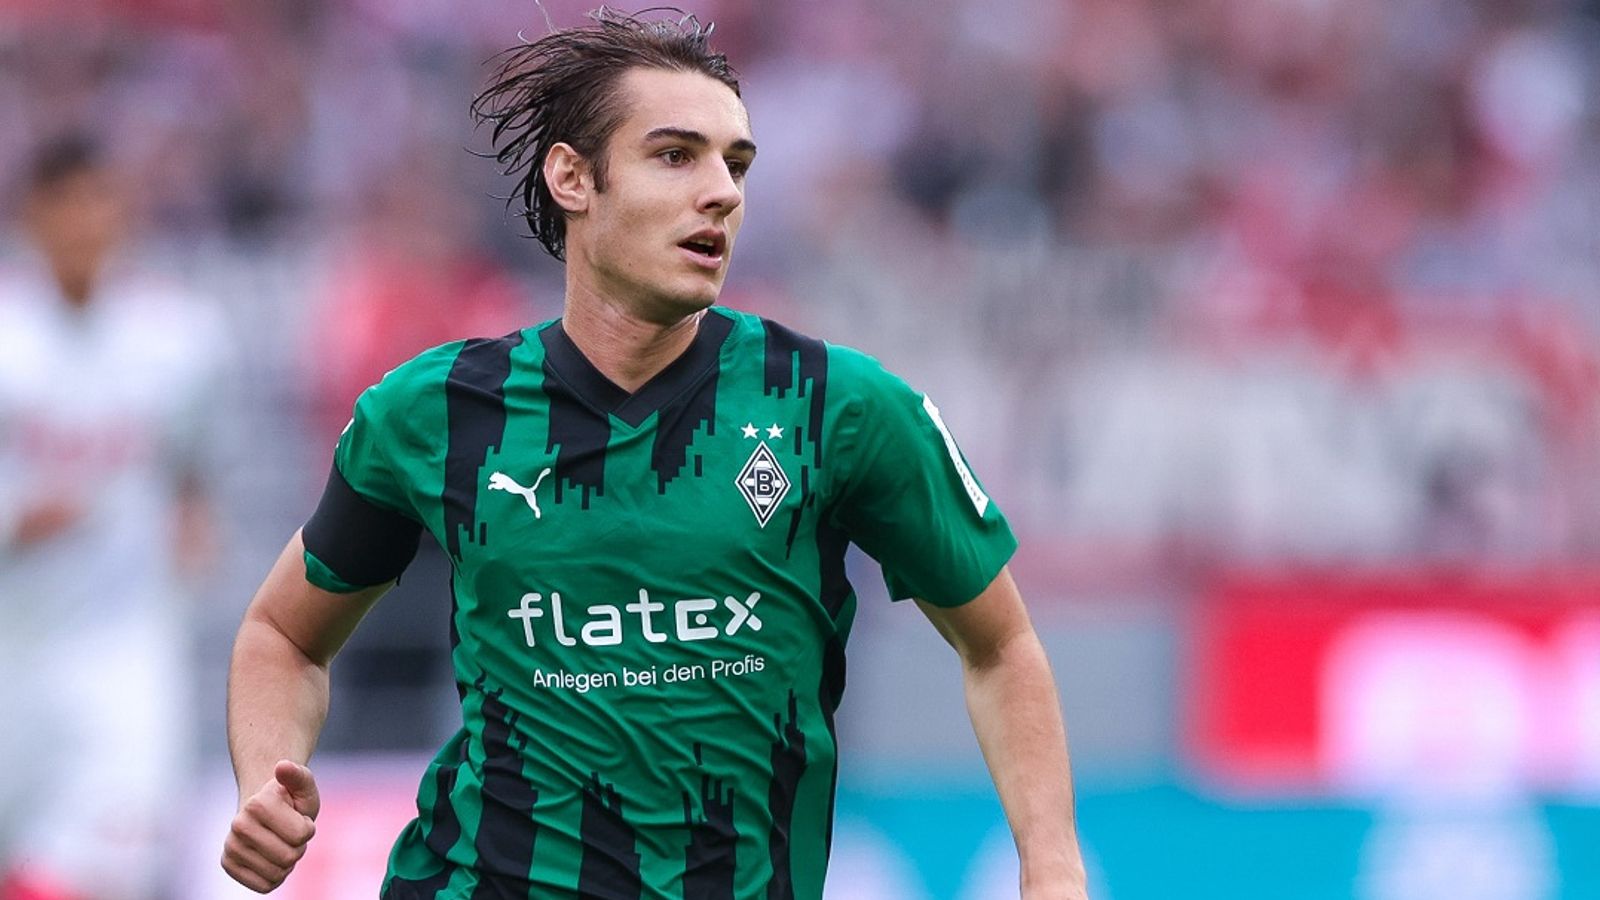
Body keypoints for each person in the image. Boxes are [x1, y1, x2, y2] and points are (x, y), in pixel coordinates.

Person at [222, 10, 1089, 899]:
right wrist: (266, 780)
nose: (721, 192)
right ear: (573, 177)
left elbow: (1001, 646)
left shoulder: (837, 406)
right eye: (675, 155)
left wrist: (1052, 862)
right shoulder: (434, 411)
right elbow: (282, 634)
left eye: (736, 164)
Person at [0, 135, 226, 900]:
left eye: (100, 203)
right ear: (33, 215)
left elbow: (197, 460)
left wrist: (195, 519)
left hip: (124, 643)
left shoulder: (177, 339)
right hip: (14, 638)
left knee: (104, 861)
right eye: (67, 205)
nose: (86, 223)